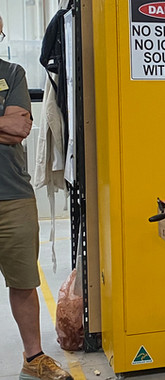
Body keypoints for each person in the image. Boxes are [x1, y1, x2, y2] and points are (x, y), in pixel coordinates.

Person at [0, 14, 73, 380]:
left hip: (12, 196)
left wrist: (7, 124)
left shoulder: (11, 74)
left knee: (24, 281)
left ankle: (33, 358)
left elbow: (17, 128)